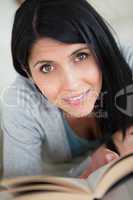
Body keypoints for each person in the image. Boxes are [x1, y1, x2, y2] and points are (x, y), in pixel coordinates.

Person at [1, 0, 133, 178]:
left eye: (81, 56)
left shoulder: (128, 60)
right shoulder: (20, 103)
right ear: (28, 73)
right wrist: (90, 165)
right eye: (47, 68)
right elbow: (20, 189)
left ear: (101, 47)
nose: (72, 85)